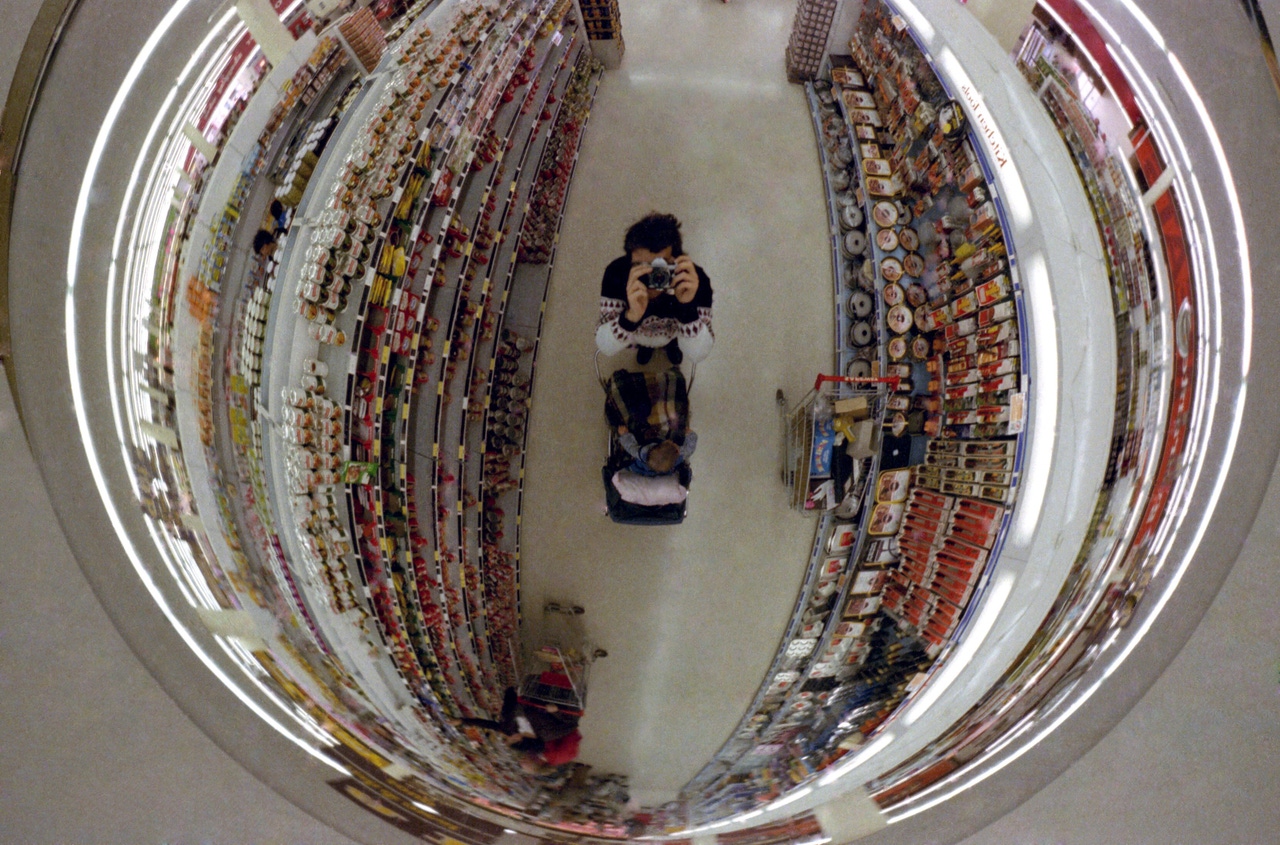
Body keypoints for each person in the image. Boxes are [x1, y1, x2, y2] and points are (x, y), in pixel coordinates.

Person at [596, 212, 713, 366]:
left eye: (660, 267)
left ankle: (672, 345)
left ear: (676, 261)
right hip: (637, 334)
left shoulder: (693, 280)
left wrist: (687, 308)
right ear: (629, 260)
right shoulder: (617, 273)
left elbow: (698, 353)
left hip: (673, 334)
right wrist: (630, 318)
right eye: (640, 266)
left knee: (677, 341)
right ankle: (646, 347)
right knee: (643, 342)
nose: (652, 277)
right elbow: (605, 346)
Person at [458, 686, 581, 769]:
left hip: (523, 692)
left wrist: (462, 721)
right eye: (511, 739)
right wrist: (556, 712)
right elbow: (572, 725)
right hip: (546, 694)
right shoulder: (547, 734)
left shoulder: (509, 729)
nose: (508, 736)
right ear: (520, 740)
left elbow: (489, 725)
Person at [616, 425, 696, 477]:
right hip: (660, 472)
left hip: (640, 468)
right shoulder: (678, 458)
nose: (673, 442)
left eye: (672, 443)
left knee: (630, 458)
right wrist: (691, 435)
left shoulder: (644, 452)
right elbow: (689, 449)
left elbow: (631, 447)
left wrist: (624, 435)